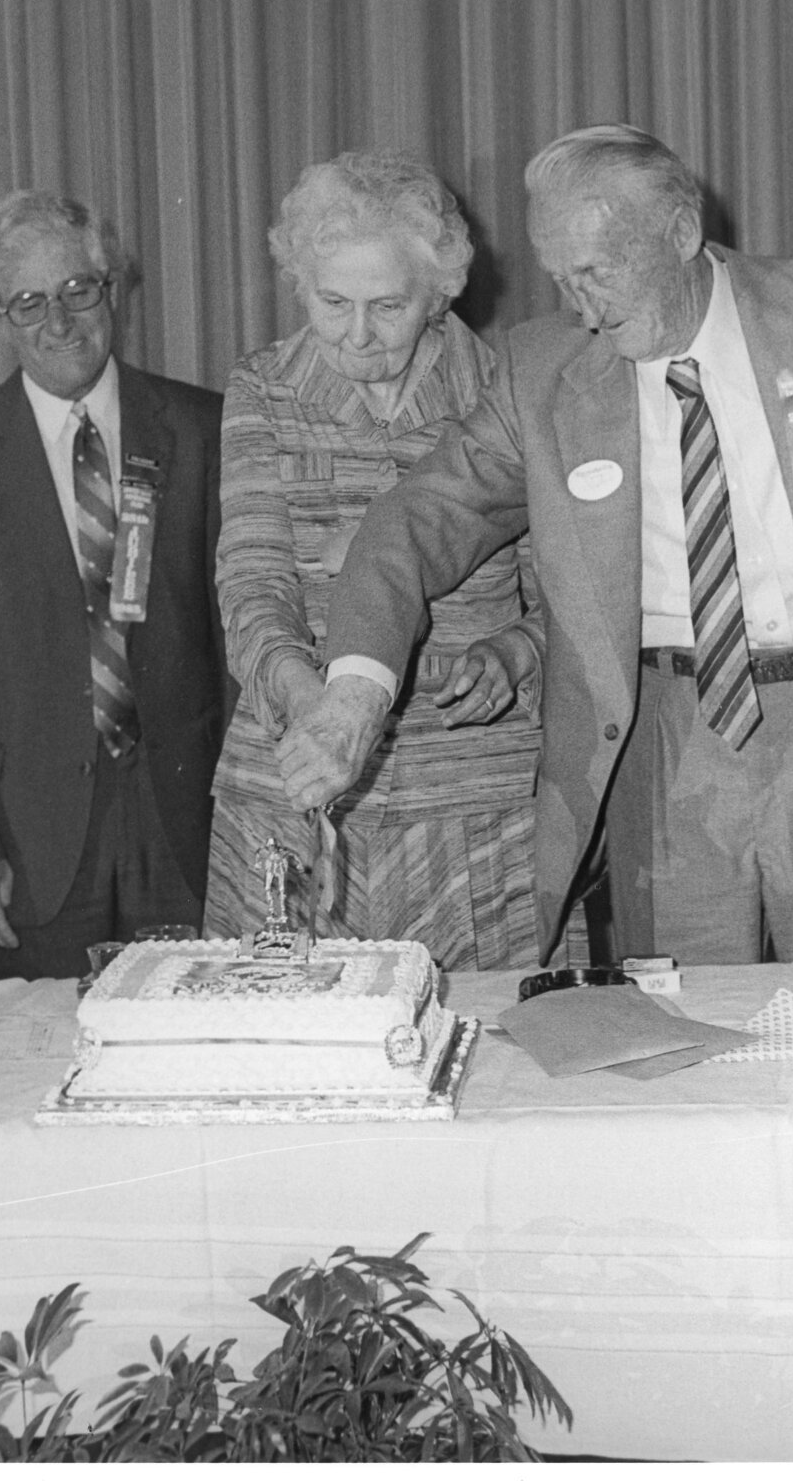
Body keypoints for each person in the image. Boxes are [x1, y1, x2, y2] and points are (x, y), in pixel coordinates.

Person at [284, 124, 793, 964]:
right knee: (684, 1056)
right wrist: (353, 693)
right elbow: (413, 522)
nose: (583, 309)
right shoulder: (543, 373)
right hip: (668, 749)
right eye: (563, 280)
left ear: (680, 234)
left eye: (598, 273)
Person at [206, 150, 548, 971]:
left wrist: (518, 651)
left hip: (472, 800)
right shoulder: (263, 391)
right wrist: (310, 706)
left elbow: (569, 596)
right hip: (293, 785)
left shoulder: (510, 392)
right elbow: (253, 583)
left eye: (388, 306)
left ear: (440, 294)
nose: (357, 336)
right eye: (333, 303)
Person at [0, 191, 228, 979]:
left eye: (79, 290)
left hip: (191, 821)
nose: (60, 321)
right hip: (33, 838)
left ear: (111, 288)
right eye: (28, 302)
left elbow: (237, 634)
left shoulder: (203, 426)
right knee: (44, 1059)